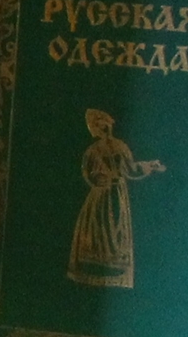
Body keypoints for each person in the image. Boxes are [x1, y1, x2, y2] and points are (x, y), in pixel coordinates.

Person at [67, 108, 162, 288]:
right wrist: (97, 180)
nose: (102, 129)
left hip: (115, 192)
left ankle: (114, 265)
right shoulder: (94, 150)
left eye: (103, 125)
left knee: (114, 225)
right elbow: (87, 172)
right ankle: (95, 264)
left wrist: (149, 166)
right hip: (102, 194)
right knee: (99, 225)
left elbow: (130, 169)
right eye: (98, 126)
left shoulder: (119, 147)